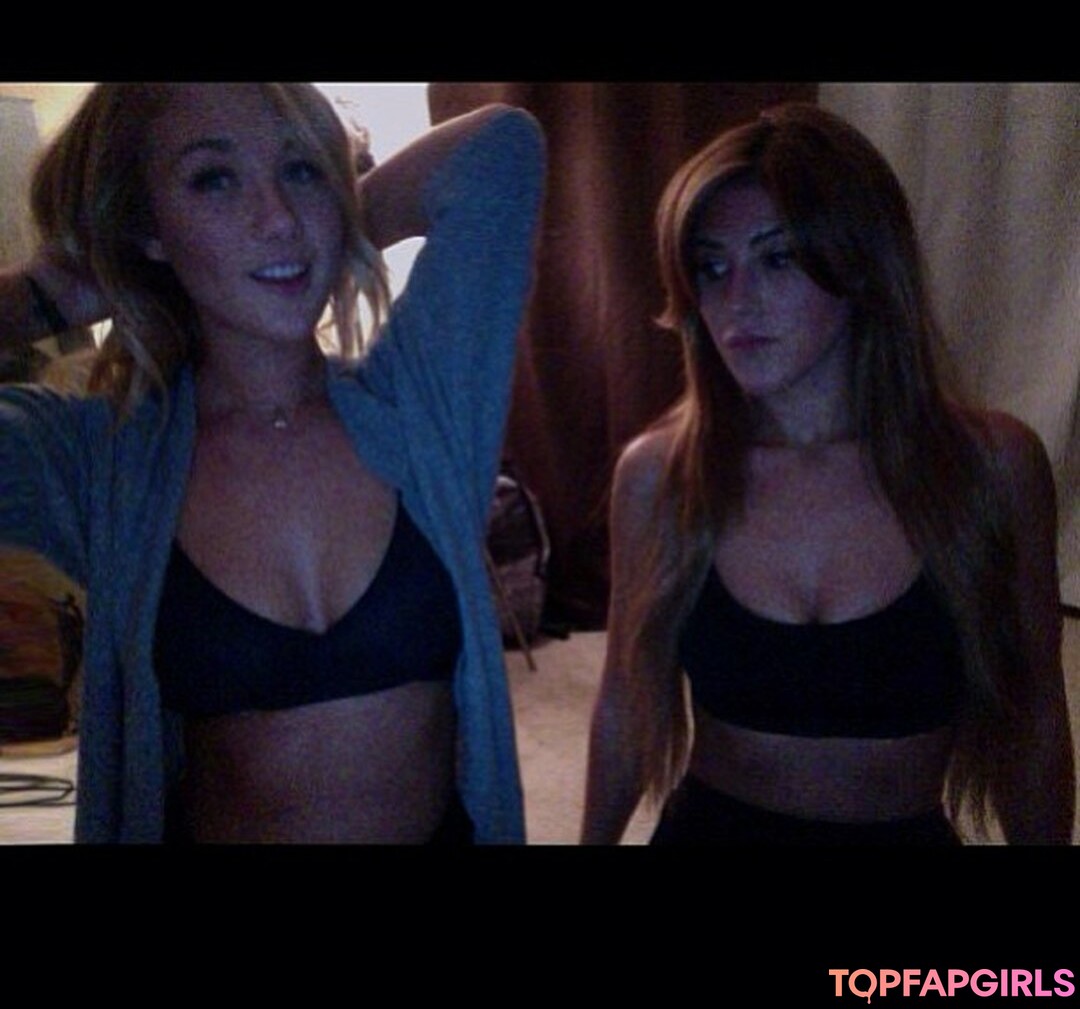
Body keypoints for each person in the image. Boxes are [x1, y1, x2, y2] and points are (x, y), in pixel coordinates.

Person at [0, 83, 545, 843]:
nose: (279, 218)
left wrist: (336, 232)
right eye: (213, 179)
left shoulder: (421, 405)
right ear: (147, 226)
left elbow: (500, 152)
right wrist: (51, 295)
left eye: (301, 170)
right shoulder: (95, 459)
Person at [581, 102, 1074, 845]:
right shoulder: (661, 475)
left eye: (777, 259)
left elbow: (1034, 715)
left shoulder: (991, 468)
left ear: (861, 266)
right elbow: (625, 700)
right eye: (711, 267)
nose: (736, 301)